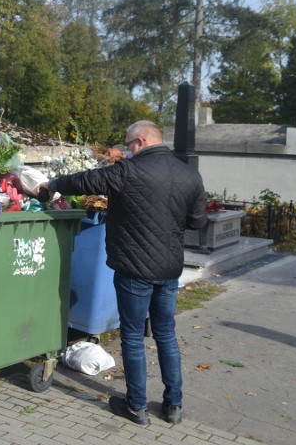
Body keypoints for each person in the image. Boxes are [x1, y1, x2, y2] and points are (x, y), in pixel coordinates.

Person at [38, 120, 207, 426]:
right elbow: (197, 222)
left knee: (131, 336)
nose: (127, 150)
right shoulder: (190, 175)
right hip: (169, 269)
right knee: (166, 334)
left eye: (128, 145)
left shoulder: (129, 172)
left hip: (134, 268)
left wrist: (54, 185)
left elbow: (86, 181)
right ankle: (174, 406)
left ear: (140, 141)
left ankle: (137, 407)